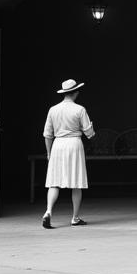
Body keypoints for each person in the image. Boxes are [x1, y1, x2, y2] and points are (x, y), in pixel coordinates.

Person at [42, 77, 95, 229]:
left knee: (54, 182)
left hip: (58, 145)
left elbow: (47, 135)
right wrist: (91, 128)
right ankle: (75, 217)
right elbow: (89, 133)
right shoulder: (79, 109)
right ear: (76, 92)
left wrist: (48, 153)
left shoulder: (53, 109)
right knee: (76, 182)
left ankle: (48, 211)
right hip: (74, 144)